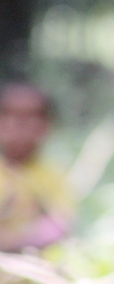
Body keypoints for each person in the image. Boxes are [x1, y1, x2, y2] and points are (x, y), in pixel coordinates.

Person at [0, 82, 74, 253]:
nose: (20, 126)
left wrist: (13, 243)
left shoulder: (53, 177)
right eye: (11, 116)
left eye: (30, 117)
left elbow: (59, 227)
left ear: (47, 125)